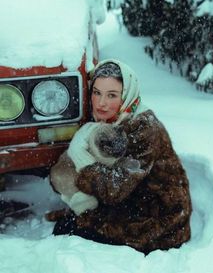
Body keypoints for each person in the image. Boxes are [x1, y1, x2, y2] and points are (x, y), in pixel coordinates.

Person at [47, 59, 192, 255]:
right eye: (96, 92)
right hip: (132, 200)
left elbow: (114, 190)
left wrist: (80, 155)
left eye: (112, 95)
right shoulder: (113, 117)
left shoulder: (144, 129)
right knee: (68, 224)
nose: (101, 103)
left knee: (65, 232)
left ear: (126, 95)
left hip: (158, 219)